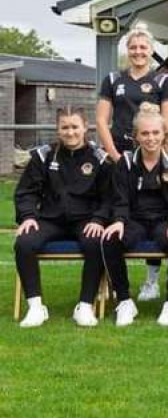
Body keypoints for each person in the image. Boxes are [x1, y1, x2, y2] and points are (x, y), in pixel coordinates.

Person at [95, 25, 168, 302]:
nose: (138, 52)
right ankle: (110, 286)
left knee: (155, 208)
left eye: (143, 47)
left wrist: (152, 154)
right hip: (121, 157)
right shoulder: (113, 79)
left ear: (151, 50)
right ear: (127, 50)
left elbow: (167, 124)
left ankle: (152, 279)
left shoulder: (163, 81)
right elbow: (101, 121)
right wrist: (118, 157)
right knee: (120, 214)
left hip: (153, 155)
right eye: (133, 47)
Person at [14, 108, 113, 328]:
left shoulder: (100, 158)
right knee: (24, 243)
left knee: (96, 243)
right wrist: (28, 216)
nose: (70, 132)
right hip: (49, 220)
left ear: (85, 127)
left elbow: (109, 198)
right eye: (65, 127)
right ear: (58, 129)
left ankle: (85, 306)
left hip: (85, 221)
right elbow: (26, 191)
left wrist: (98, 220)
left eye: (75, 127)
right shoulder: (44, 156)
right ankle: (36, 307)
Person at [101, 109, 168, 327]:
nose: (150, 138)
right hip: (135, 221)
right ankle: (124, 301)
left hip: (165, 221)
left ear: (164, 135)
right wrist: (119, 221)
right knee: (109, 239)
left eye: (155, 133)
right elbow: (119, 198)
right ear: (137, 136)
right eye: (145, 133)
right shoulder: (125, 163)